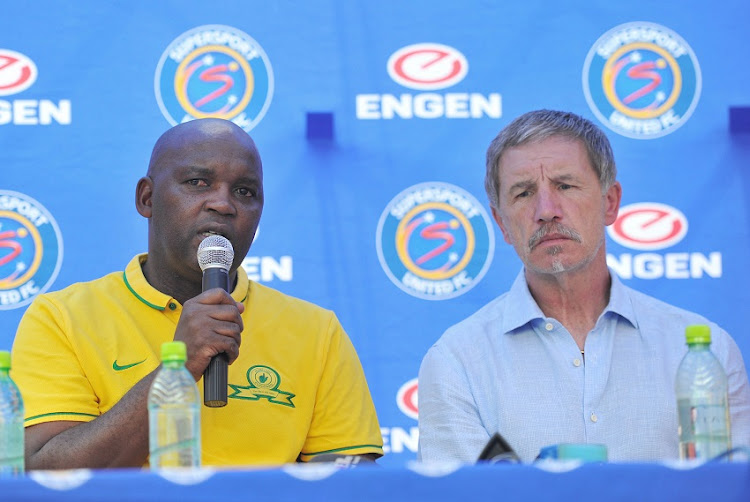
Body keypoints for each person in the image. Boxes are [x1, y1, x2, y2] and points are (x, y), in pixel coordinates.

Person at [11, 118, 383, 469]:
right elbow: (47, 472)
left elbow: (351, 483)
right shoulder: (63, 318)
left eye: (244, 191)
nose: (223, 204)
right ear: (147, 198)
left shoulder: (316, 331)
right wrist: (179, 367)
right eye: (198, 183)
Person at [417, 109, 750, 463]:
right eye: (524, 193)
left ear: (610, 202)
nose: (547, 210)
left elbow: (733, 490)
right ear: (501, 223)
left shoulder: (705, 352)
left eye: (565, 185)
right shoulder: (457, 361)